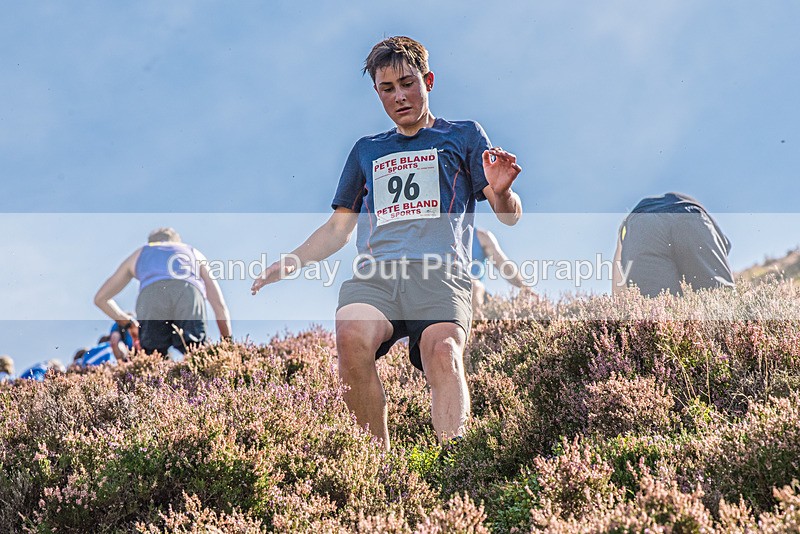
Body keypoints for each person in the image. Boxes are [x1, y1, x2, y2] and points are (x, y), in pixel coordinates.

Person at [251, 36, 522, 450]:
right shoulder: (367, 151)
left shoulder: (464, 136)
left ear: (428, 81)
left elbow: (508, 215)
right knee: (350, 335)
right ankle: (379, 467)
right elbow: (337, 230)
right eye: (387, 89)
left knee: (443, 352)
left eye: (407, 83)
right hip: (377, 276)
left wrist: (501, 191)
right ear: (377, 93)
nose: (399, 96)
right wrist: (288, 263)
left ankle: (456, 463)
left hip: (440, 275)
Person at [94, 228, 232, 357]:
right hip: (188, 292)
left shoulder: (140, 253)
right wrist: (228, 346)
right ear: (177, 241)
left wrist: (128, 323)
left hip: (151, 297)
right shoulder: (192, 252)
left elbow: (100, 299)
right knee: (195, 352)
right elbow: (219, 305)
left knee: (154, 356)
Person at [612, 192, 734, 297]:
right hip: (690, 213)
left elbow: (619, 288)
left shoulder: (625, 229)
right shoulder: (719, 239)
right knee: (720, 297)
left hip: (641, 224)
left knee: (657, 311)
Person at [470, 227, 531, 307]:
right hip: (449, 286)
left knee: (475, 286)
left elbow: (503, 265)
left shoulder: (481, 237)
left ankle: (476, 318)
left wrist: (524, 286)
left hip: (474, 293)